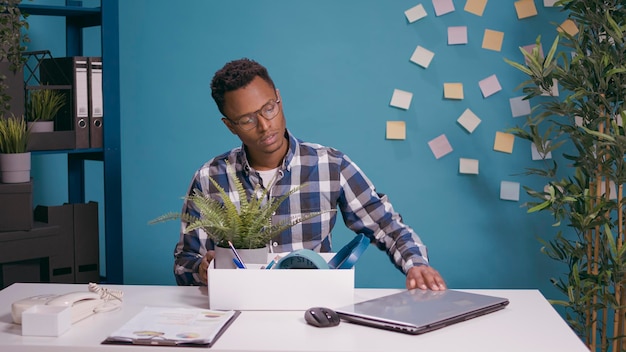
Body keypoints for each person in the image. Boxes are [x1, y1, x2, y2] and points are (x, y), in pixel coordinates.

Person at [173, 58, 446, 291]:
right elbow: (185, 262)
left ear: (279, 98)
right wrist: (202, 269)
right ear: (230, 126)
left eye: (269, 108)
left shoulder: (331, 165)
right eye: (247, 119)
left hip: (313, 310)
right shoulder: (210, 177)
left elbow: (386, 226)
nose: (265, 126)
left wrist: (416, 265)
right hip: (238, 313)